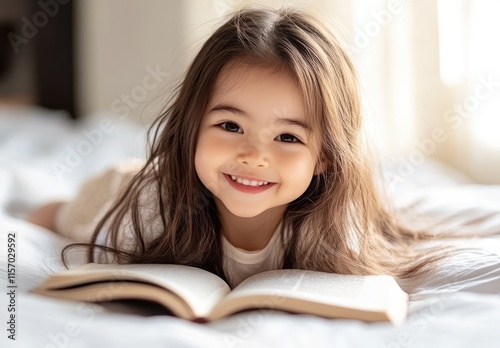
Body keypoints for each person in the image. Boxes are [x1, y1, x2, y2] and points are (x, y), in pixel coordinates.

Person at [28, 6, 442, 288]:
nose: (254, 155)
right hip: (126, 184)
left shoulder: (337, 232)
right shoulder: (144, 213)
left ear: (326, 158)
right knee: (57, 213)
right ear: (192, 128)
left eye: (287, 137)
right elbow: (57, 225)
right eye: (230, 125)